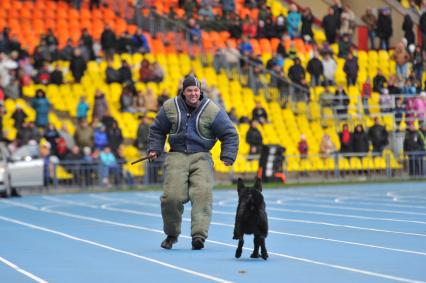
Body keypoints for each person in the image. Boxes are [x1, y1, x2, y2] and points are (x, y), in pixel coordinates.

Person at [147, 75, 239, 250]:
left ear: (200, 91)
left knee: (203, 195)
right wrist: (154, 148)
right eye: (189, 90)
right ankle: (172, 234)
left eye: (196, 90)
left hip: (202, 156)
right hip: (176, 156)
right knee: (171, 198)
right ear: (184, 91)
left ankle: (199, 236)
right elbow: (157, 130)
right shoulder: (169, 106)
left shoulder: (212, 109)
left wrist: (227, 155)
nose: (193, 93)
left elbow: (229, 133)